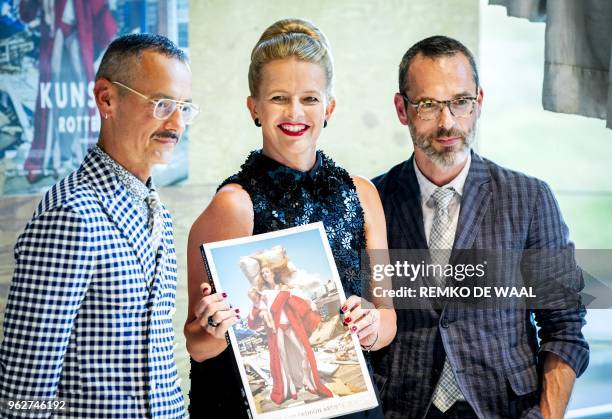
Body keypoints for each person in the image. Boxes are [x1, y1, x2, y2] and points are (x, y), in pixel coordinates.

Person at [185, 18, 396, 419]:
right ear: (255, 108)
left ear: (329, 107)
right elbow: (197, 344)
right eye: (279, 97)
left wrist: (371, 327)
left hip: (350, 406)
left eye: (310, 99)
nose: (295, 112)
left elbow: (387, 319)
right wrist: (213, 328)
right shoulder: (234, 206)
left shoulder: (363, 196)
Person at [370, 35, 589, 418]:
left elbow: (564, 327)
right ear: (402, 109)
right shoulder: (373, 201)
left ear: (479, 102)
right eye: (427, 105)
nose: (447, 122)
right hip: (400, 409)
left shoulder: (531, 198)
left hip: (505, 409)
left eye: (461, 102)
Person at [0, 33, 199, 417]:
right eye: (161, 104)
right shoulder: (71, 215)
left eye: (184, 108)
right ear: (106, 99)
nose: (177, 124)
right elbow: (24, 393)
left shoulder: (158, 212)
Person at [247, 255, 332, 405]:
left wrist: (301, 300)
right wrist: (260, 311)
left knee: (304, 352)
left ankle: (306, 378)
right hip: (276, 327)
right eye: (263, 273)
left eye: (267, 272)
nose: (265, 275)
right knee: (282, 356)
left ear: (273, 273)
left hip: (290, 324)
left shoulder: (284, 288)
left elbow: (298, 301)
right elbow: (260, 309)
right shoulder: (264, 293)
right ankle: (291, 384)